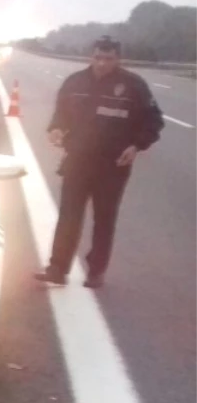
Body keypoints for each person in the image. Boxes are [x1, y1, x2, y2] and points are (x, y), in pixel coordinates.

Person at [34, 36, 164, 289]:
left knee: (104, 219)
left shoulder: (134, 85)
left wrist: (136, 145)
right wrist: (56, 129)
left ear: (118, 59)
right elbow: (60, 115)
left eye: (109, 59)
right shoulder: (75, 82)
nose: (102, 63)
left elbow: (154, 121)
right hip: (78, 161)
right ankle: (57, 269)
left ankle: (96, 271)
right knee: (69, 216)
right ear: (90, 57)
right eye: (98, 58)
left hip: (113, 165)